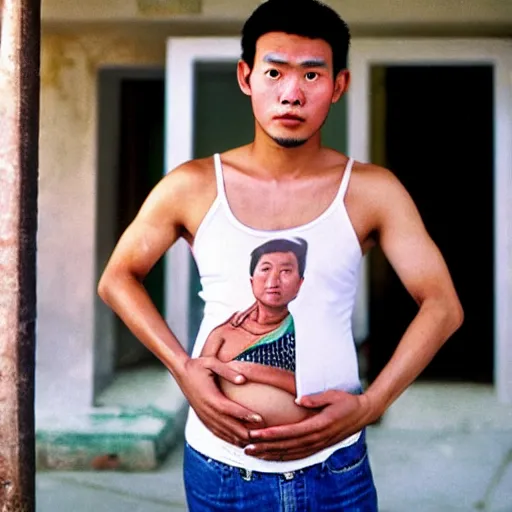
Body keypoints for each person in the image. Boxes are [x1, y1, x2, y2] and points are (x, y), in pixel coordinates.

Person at [98, 0, 464, 509]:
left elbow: (443, 305)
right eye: (275, 71)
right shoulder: (193, 185)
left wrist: (371, 404)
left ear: (338, 86)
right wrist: (183, 368)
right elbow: (118, 278)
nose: (292, 93)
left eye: (312, 75)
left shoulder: (371, 191)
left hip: (336, 468)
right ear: (247, 77)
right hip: (220, 469)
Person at [201, 238, 311, 427]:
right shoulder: (223, 333)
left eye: (285, 271)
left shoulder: (304, 335)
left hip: (306, 450)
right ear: (251, 281)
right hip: (222, 450)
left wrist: (246, 370)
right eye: (265, 269)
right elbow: (199, 384)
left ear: (299, 284)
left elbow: (312, 391)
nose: (273, 281)